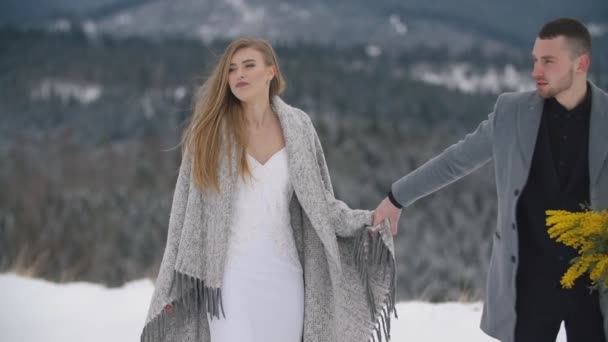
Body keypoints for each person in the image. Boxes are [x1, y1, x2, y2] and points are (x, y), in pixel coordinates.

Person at [141, 38, 397, 342]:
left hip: (285, 276)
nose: (239, 75)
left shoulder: (299, 127)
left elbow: (320, 202)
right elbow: (184, 210)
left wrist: (364, 221)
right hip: (227, 280)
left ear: (271, 72)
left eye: (249, 66)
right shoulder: (209, 132)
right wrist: (174, 276)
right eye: (232, 69)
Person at [374, 17, 607, 342]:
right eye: (535, 60)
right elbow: (456, 160)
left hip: (597, 289)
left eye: (548, 61)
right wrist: (397, 197)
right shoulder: (511, 113)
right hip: (527, 285)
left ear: (581, 63)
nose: (536, 71)